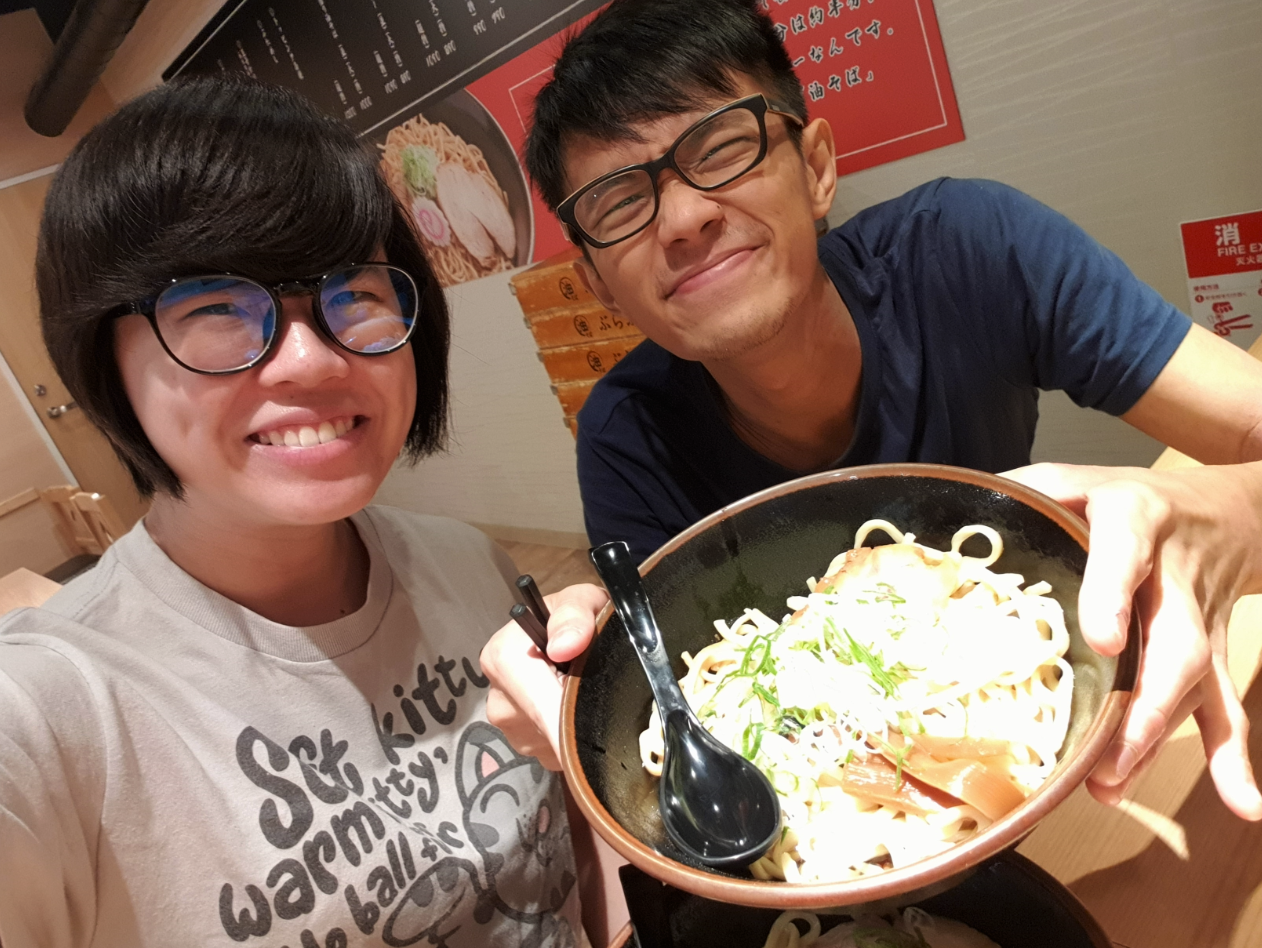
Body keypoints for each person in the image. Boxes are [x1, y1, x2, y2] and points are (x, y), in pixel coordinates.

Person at [481, 0, 1262, 825]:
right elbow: (676, 719)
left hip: (1069, 756)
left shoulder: (972, 250)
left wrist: (1230, 516)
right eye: (617, 204)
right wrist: (581, 678)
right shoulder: (627, 436)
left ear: (816, 167)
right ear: (597, 285)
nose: (683, 218)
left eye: (721, 148)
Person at [0, 76, 603, 948]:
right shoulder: (43, 717)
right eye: (217, 306)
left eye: (354, 290)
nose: (311, 360)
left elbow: (567, 858)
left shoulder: (467, 563)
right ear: (105, 358)